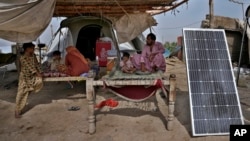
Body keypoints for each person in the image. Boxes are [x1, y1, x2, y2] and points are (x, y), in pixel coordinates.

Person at [15, 42, 43, 118]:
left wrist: (41, 72)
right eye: (32, 48)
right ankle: (17, 111)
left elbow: (37, 64)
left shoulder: (33, 56)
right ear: (27, 49)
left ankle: (22, 104)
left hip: (31, 77)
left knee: (35, 85)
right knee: (21, 93)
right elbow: (30, 67)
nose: (34, 50)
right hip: (24, 78)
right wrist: (37, 73)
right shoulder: (22, 57)